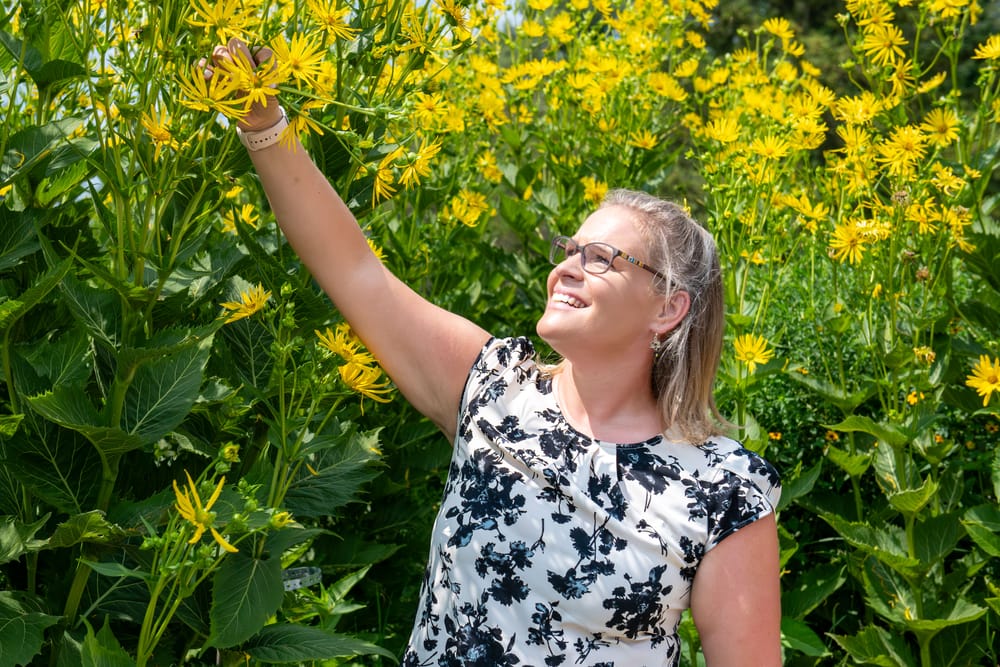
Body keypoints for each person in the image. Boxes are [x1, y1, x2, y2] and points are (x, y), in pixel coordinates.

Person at [207, 38, 783, 667]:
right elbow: (355, 272)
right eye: (569, 249)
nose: (566, 269)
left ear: (668, 309)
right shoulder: (494, 389)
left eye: (600, 260)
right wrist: (264, 125)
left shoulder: (722, 488)